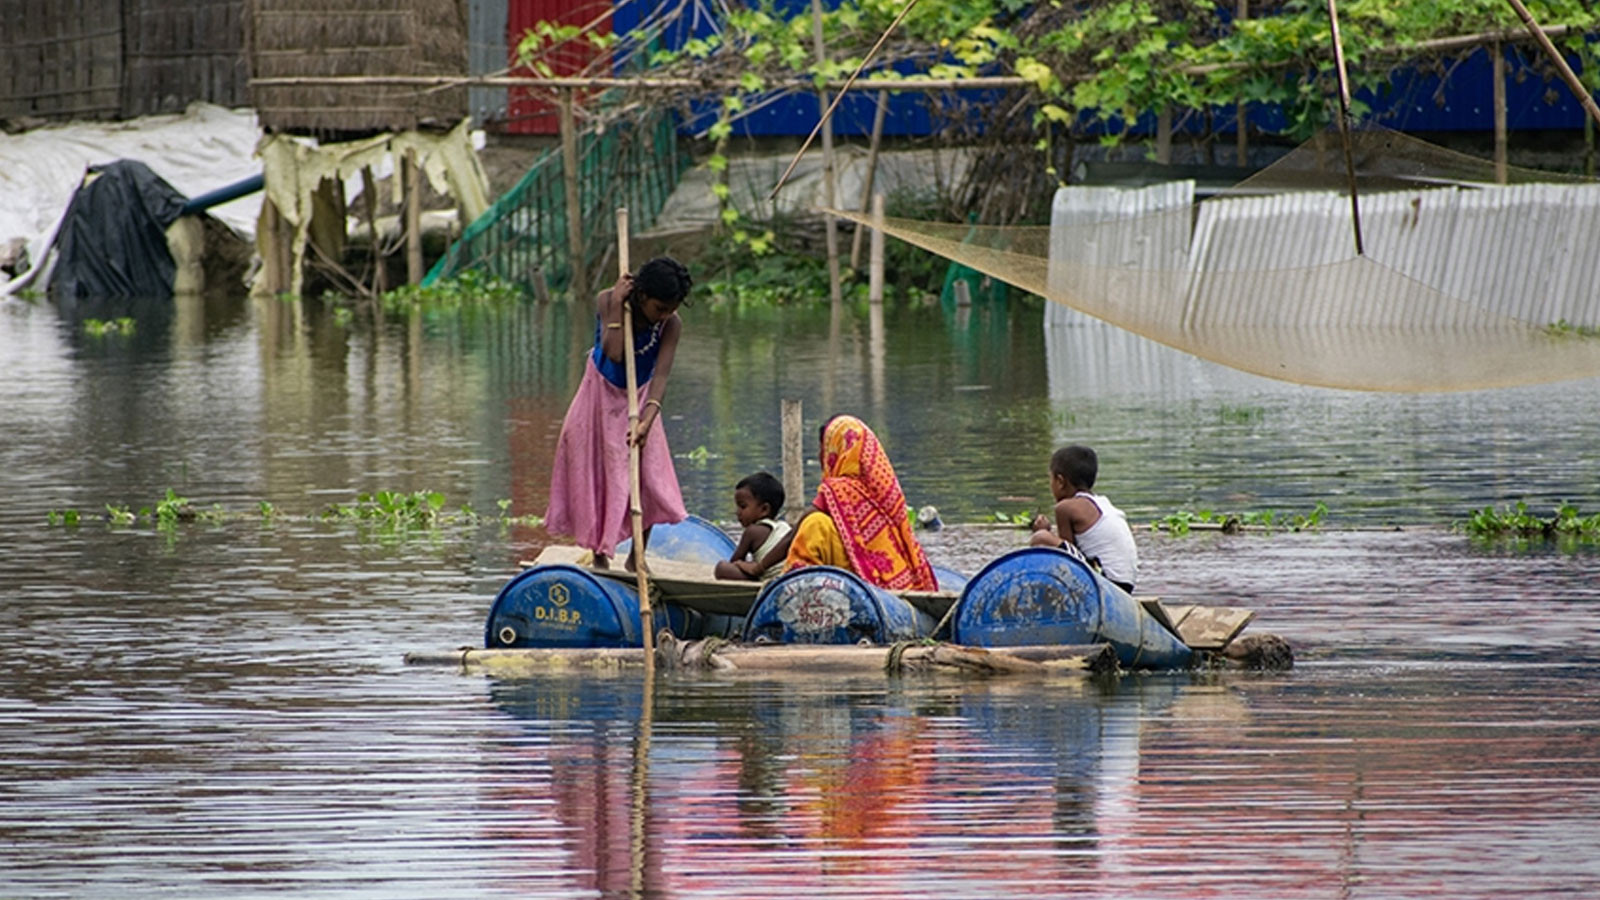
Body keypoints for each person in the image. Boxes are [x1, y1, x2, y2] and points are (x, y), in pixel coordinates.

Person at [544, 256, 693, 571]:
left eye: (670, 309)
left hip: (641, 399)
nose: (664, 316)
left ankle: (637, 555)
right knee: (595, 471)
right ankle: (600, 555)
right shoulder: (608, 301)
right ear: (641, 296)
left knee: (649, 476)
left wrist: (648, 419)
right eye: (659, 308)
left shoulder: (671, 324)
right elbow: (614, 352)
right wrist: (615, 305)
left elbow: (662, 375)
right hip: (598, 395)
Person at [778, 414, 937, 591]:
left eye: (823, 448)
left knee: (814, 524)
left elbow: (796, 532)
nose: (820, 455)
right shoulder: (882, 487)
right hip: (900, 577)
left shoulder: (840, 489)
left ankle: (797, 586)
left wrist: (759, 567)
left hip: (863, 579)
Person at [1029, 444, 1139, 593]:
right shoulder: (1102, 502)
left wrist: (1043, 531)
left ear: (1060, 481)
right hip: (1125, 584)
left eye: (1051, 479)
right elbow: (1074, 550)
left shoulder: (1065, 508)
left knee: (1041, 538)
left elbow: (1066, 560)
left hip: (1107, 583)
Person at [714, 471, 791, 581]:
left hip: (770, 579)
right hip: (789, 575)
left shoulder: (752, 531)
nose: (738, 512)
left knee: (722, 568)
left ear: (764, 509)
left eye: (743, 506)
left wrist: (743, 564)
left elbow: (735, 561)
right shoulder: (784, 526)